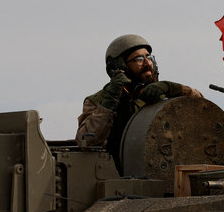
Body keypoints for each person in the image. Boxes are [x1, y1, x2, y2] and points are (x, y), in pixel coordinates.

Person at [76, 34, 203, 171]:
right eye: (139, 59)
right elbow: (86, 140)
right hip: (119, 176)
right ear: (120, 66)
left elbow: (203, 110)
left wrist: (174, 88)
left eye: (149, 57)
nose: (148, 63)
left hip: (166, 171)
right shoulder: (97, 101)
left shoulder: (162, 93)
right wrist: (110, 101)